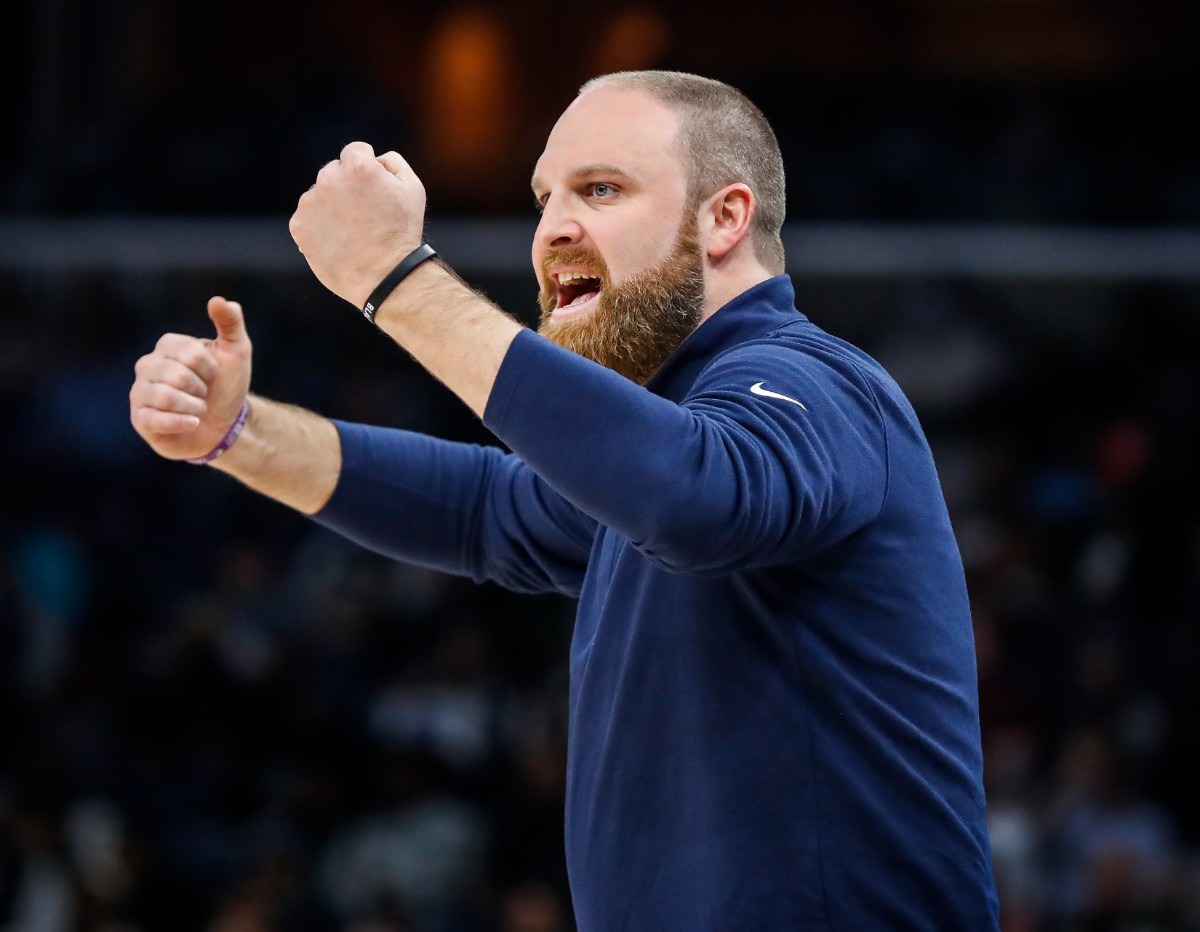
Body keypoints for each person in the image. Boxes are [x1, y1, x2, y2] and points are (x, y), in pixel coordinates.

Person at [129, 70, 1000, 929]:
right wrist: (235, 432)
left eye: (602, 189)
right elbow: (480, 507)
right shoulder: (652, 446)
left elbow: (693, 495)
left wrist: (395, 279)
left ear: (725, 217)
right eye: (545, 199)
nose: (553, 229)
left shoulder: (816, 382)